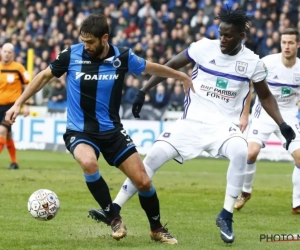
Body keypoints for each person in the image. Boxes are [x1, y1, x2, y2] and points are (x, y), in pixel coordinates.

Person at [86, 7, 296, 244]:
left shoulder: (252, 62)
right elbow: (172, 64)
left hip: (222, 128)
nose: (222, 40)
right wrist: (144, 91)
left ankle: (226, 215)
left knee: (240, 150)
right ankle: (113, 209)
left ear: (241, 36)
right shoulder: (203, 47)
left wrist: (283, 124)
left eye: (228, 36)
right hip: (190, 123)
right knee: (153, 156)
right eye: (220, 34)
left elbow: (266, 96)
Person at [5, 14, 194, 244]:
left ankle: (156, 228)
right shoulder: (71, 54)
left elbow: (149, 68)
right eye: (83, 41)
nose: (86, 46)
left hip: (112, 130)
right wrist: (18, 103)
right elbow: (44, 76)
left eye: (90, 42)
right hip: (80, 130)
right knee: (88, 162)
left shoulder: (122, 56)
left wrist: (180, 75)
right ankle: (114, 217)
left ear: (104, 38)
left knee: (143, 181)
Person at [234, 28, 300, 213]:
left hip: (287, 115)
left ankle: (297, 203)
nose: (286, 46)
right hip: (263, 113)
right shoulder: (267, 63)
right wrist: (245, 114)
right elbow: (249, 84)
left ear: (298, 45)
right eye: (284, 42)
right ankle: (245, 192)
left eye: (291, 43)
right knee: (250, 153)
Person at [0, 43, 30, 169]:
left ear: (13, 54)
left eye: (9, 52)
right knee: (7, 135)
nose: (6, 54)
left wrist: (27, 104)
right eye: (5, 51)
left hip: (11, 106)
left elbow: (27, 85)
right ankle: (14, 162)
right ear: (1, 52)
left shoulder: (19, 68)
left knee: (1, 130)